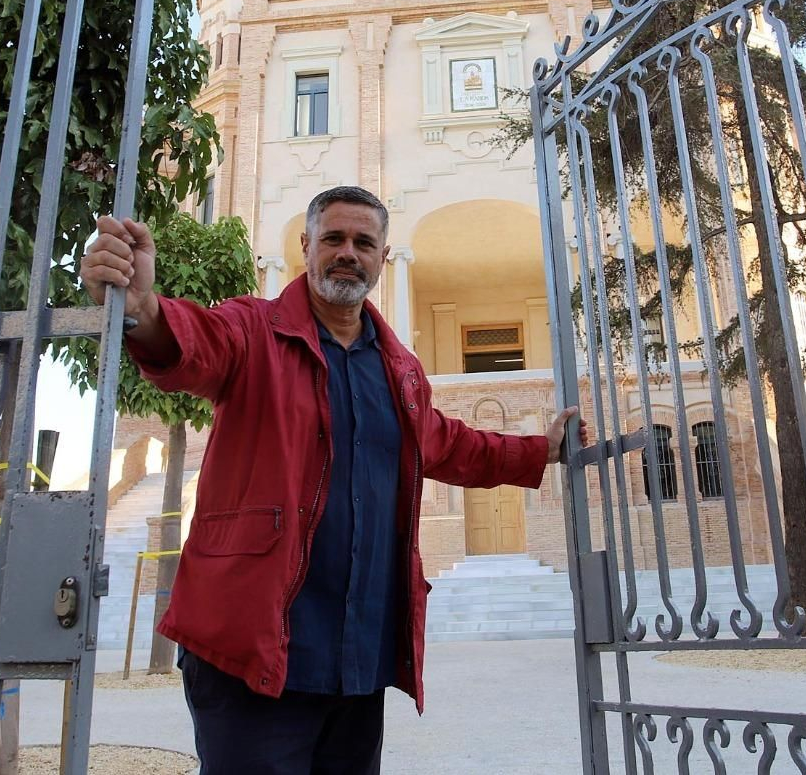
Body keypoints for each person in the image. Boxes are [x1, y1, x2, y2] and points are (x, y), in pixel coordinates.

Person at [79, 185, 580, 775]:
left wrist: (538, 451)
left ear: (383, 256)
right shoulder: (253, 329)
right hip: (252, 648)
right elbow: (194, 345)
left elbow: (448, 444)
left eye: (363, 242)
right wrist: (144, 310)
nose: (348, 252)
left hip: (357, 655)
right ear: (306, 247)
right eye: (334, 239)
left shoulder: (399, 368)